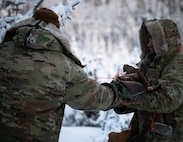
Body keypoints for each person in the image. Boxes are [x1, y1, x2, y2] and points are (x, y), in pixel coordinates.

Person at [0, 8, 145, 141]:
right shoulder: (65, 67)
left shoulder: (3, 52)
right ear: (55, 30)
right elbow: (97, 98)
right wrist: (122, 91)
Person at [110, 19, 183, 142]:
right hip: (146, 136)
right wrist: (121, 100)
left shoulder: (181, 64)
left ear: (164, 40)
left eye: (152, 39)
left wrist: (126, 97)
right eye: (148, 40)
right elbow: (142, 100)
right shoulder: (149, 66)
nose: (149, 44)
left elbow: (167, 100)